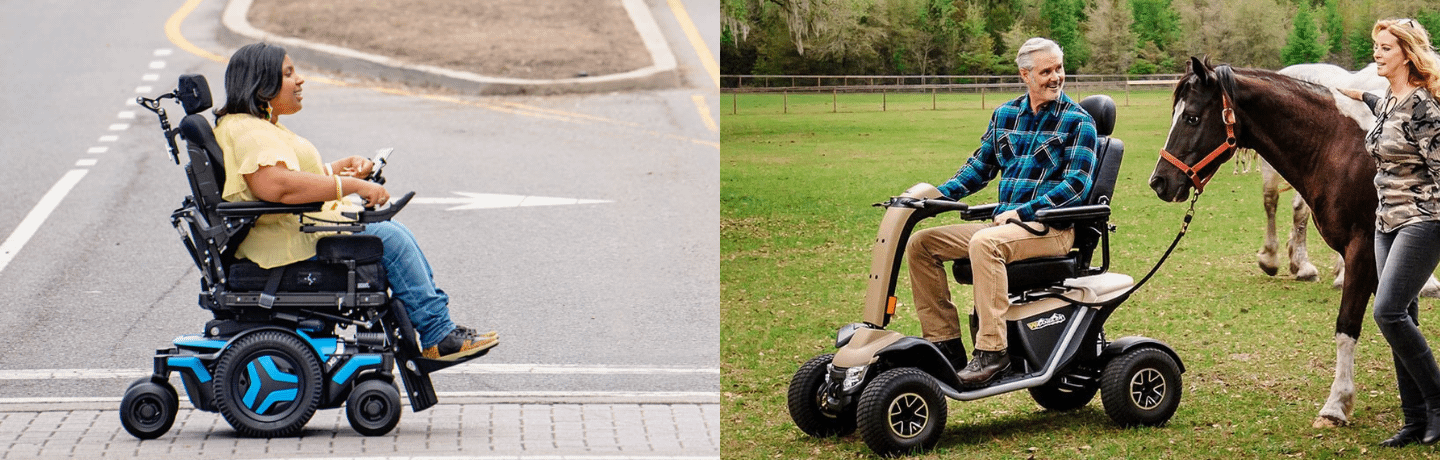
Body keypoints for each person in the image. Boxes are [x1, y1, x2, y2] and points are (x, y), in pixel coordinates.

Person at [213, 43, 497, 361]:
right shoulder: (250, 131)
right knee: (390, 238)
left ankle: (438, 332)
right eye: (289, 73)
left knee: (392, 232)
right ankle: (437, 334)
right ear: (262, 84)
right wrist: (348, 185)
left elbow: (292, 177)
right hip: (287, 242)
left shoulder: (256, 127)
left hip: (294, 229)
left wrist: (338, 169)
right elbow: (277, 188)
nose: (300, 80)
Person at [904, 37, 1097, 386]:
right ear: (1025, 75)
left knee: (985, 243)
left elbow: (1076, 187)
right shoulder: (1005, 115)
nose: (1056, 78)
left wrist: (1025, 212)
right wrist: (933, 199)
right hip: (1005, 226)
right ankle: (944, 345)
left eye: (1059, 69)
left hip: (1050, 229)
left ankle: (993, 352)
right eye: (1046, 71)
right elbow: (977, 169)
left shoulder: (1078, 121)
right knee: (921, 244)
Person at [1364, 18, 1440, 448]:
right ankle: (1414, 421)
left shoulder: (1425, 108)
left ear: (1408, 54)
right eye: (1375, 45)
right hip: (1384, 221)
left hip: (1422, 219)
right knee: (1403, 317)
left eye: (1386, 47)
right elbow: (1375, 105)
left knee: (1387, 311)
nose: (1377, 52)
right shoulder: (1390, 101)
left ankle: (1437, 402)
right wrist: (1348, 93)